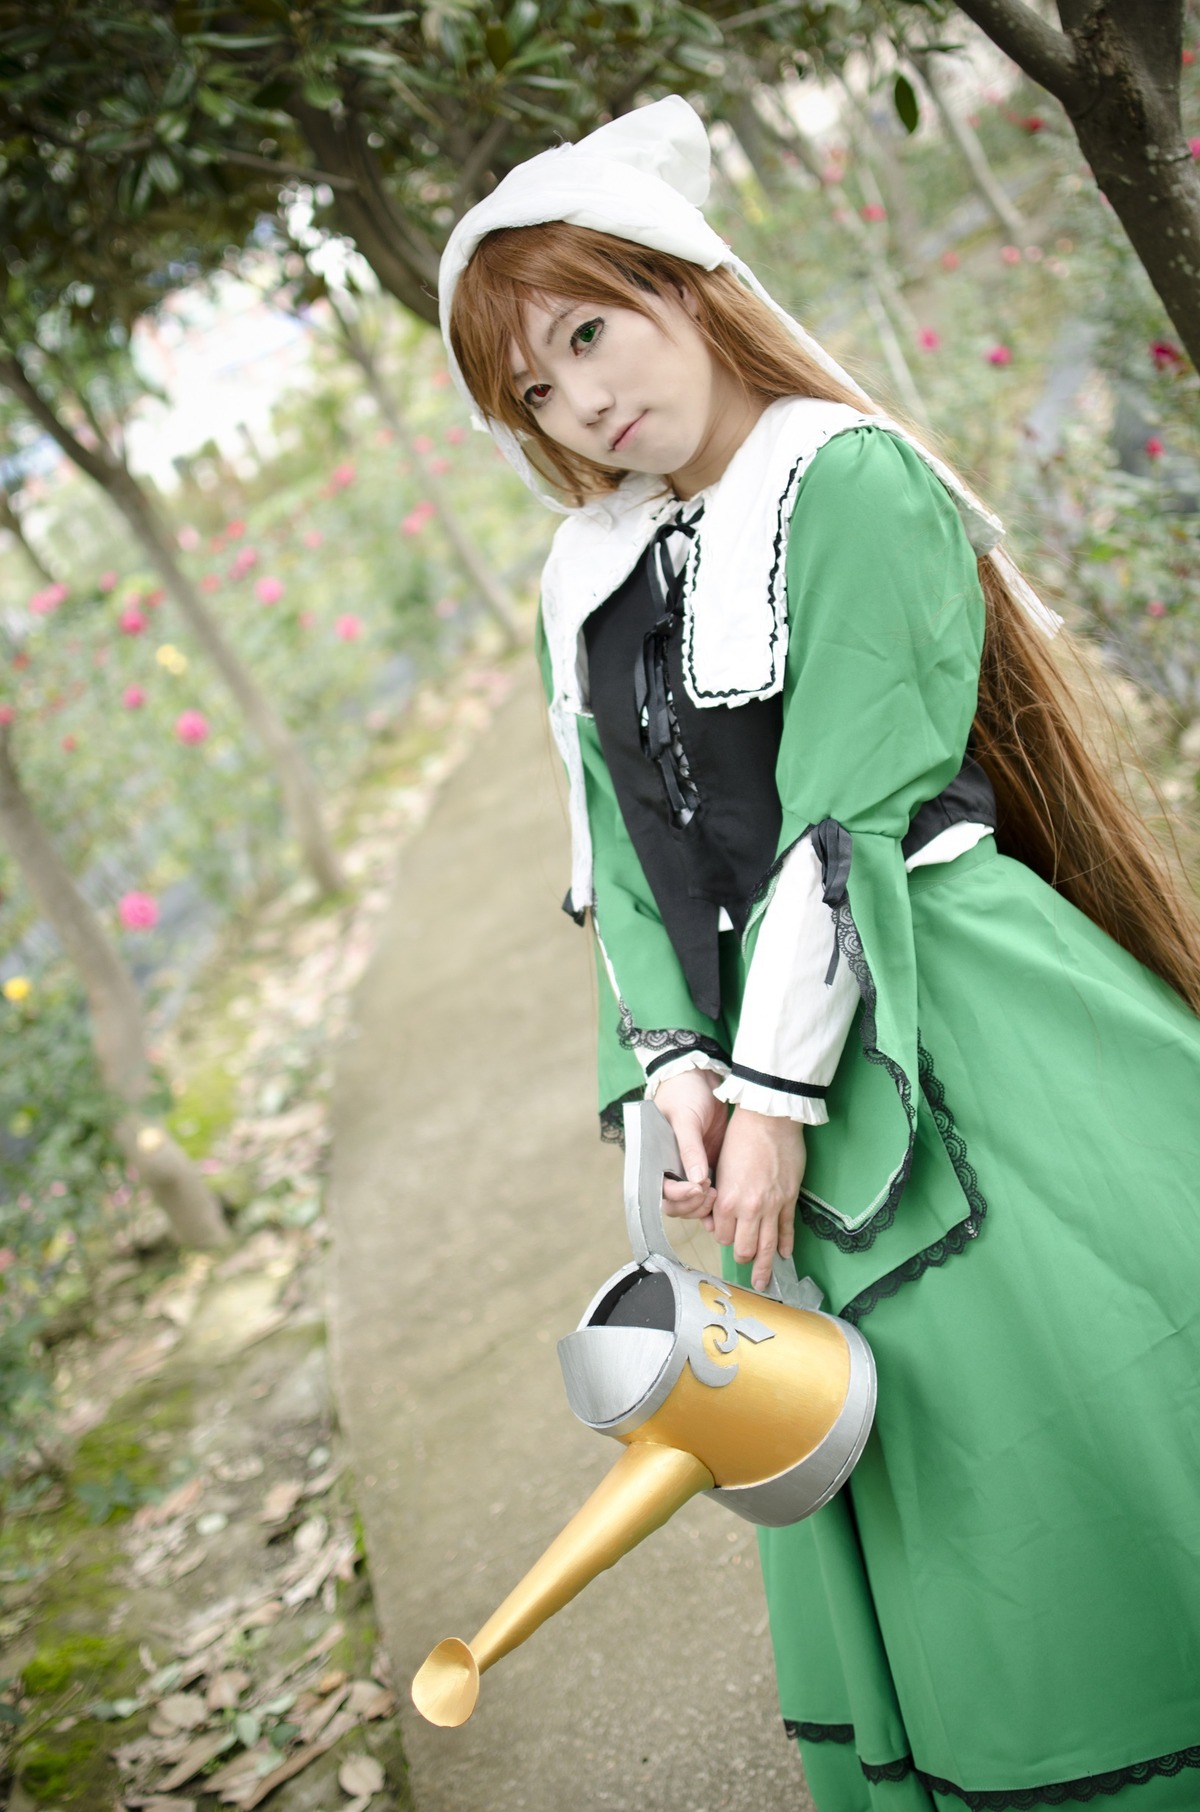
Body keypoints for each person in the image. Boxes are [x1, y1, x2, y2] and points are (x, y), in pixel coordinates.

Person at [438, 96, 1200, 1812]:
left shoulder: (846, 477)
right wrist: (680, 1082)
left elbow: (843, 820)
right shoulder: (589, 569)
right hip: (760, 1089)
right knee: (880, 1447)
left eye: (588, 329)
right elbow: (620, 867)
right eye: (540, 389)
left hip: (957, 1014)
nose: (586, 398)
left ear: (683, 285)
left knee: (1058, 1416)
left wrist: (777, 1096)